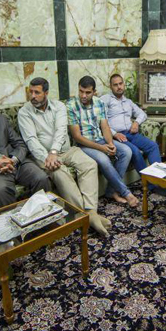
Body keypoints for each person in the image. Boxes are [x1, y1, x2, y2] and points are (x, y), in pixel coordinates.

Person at [18, 77, 112, 236]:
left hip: (66, 150)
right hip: (43, 155)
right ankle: (86, 216)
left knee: (89, 164)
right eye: (30, 92)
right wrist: (48, 156)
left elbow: (61, 131)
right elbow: (31, 140)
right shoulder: (24, 112)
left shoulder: (59, 106)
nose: (32, 96)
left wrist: (54, 152)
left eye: (37, 92)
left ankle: (91, 212)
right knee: (61, 173)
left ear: (46, 93)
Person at [67, 76, 139, 207]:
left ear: (94, 92)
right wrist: (102, 148)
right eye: (81, 91)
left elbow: (105, 127)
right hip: (83, 145)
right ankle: (126, 193)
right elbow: (77, 137)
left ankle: (111, 191)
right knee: (104, 159)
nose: (83, 95)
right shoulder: (71, 105)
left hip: (100, 139)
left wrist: (110, 143)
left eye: (88, 92)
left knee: (126, 151)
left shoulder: (99, 103)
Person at [101, 73, 161, 173]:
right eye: (115, 85)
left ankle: (159, 177)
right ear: (110, 86)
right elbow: (100, 120)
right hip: (117, 136)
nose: (119, 87)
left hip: (131, 133)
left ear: (124, 84)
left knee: (153, 146)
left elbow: (142, 114)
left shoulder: (128, 101)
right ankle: (148, 181)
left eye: (120, 83)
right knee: (135, 151)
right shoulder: (106, 99)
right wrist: (114, 134)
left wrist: (136, 123)